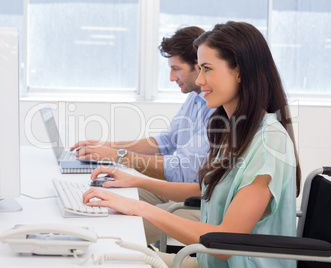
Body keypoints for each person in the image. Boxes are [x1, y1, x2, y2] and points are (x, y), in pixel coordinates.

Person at [83, 21, 301, 268]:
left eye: (207, 69)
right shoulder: (233, 130)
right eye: (199, 70)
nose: (199, 81)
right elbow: (205, 190)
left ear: (240, 71)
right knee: (105, 252)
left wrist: (139, 207)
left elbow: (226, 243)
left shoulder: (268, 142)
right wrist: (137, 182)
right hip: (208, 262)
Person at [71, 26, 214, 184]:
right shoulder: (195, 97)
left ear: (198, 65)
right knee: (104, 187)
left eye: (176, 69)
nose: (172, 78)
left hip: (191, 196)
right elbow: (165, 142)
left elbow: (182, 171)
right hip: (180, 186)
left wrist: (118, 156)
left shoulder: (215, 107)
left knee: (112, 192)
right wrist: (107, 147)